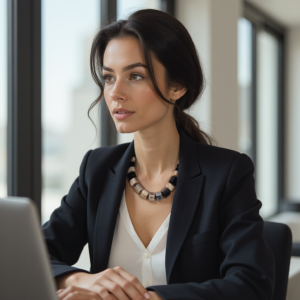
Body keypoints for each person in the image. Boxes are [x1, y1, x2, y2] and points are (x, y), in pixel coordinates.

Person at [42, 9, 275, 300]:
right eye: (109, 77)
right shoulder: (97, 168)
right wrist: (81, 280)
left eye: (135, 76)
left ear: (177, 87)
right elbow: (37, 253)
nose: (115, 93)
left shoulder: (227, 173)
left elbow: (251, 284)